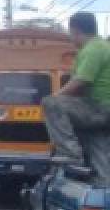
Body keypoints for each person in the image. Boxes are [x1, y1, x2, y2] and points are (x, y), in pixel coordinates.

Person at [42, 12, 110, 177]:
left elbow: (81, 82)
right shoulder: (103, 47)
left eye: (70, 33)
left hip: (99, 107)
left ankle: (70, 155)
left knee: (50, 103)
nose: (71, 38)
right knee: (97, 148)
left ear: (76, 31)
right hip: (99, 113)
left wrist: (55, 98)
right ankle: (104, 186)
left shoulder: (93, 49)